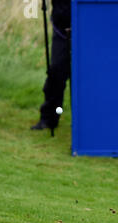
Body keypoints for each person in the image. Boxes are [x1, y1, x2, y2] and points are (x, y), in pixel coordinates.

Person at [31, 0, 71, 131]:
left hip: (87, 29)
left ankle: (92, 121)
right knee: (56, 73)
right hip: (61, 30)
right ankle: (49, 119)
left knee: (88, 77)